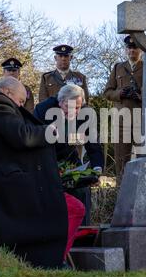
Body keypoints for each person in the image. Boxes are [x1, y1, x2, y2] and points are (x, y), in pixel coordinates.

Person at [0, 76, 84, 268]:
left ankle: (49, 258)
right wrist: (49, 131)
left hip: (11, 175)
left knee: (71, 205)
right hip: (8, 179)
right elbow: (22, 136)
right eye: (21, 101)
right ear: (7, 92)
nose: (21, 106)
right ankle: (49, 259)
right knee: (72, 207)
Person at [34, 83, 104, 225]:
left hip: (69, 158)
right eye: (68, 107)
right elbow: (33, 138)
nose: (72, 111)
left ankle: (82, 232)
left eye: (77, 108)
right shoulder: (43, 110)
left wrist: (97, 170)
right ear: (60, 102)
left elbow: (93, 146)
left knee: (82, 188)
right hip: (45, 158)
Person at [104, 36, 143, 184]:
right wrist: (120, 93)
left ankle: (142, 192)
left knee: (143, 159)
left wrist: (139, 95)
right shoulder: (118, 67)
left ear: (140, 50)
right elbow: (107, 92)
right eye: (129, 48)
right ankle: (120, 193)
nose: (132, 50)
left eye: (135, 47)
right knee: (121, 161)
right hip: (121, 121)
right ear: (126, 49)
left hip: (142, 120)